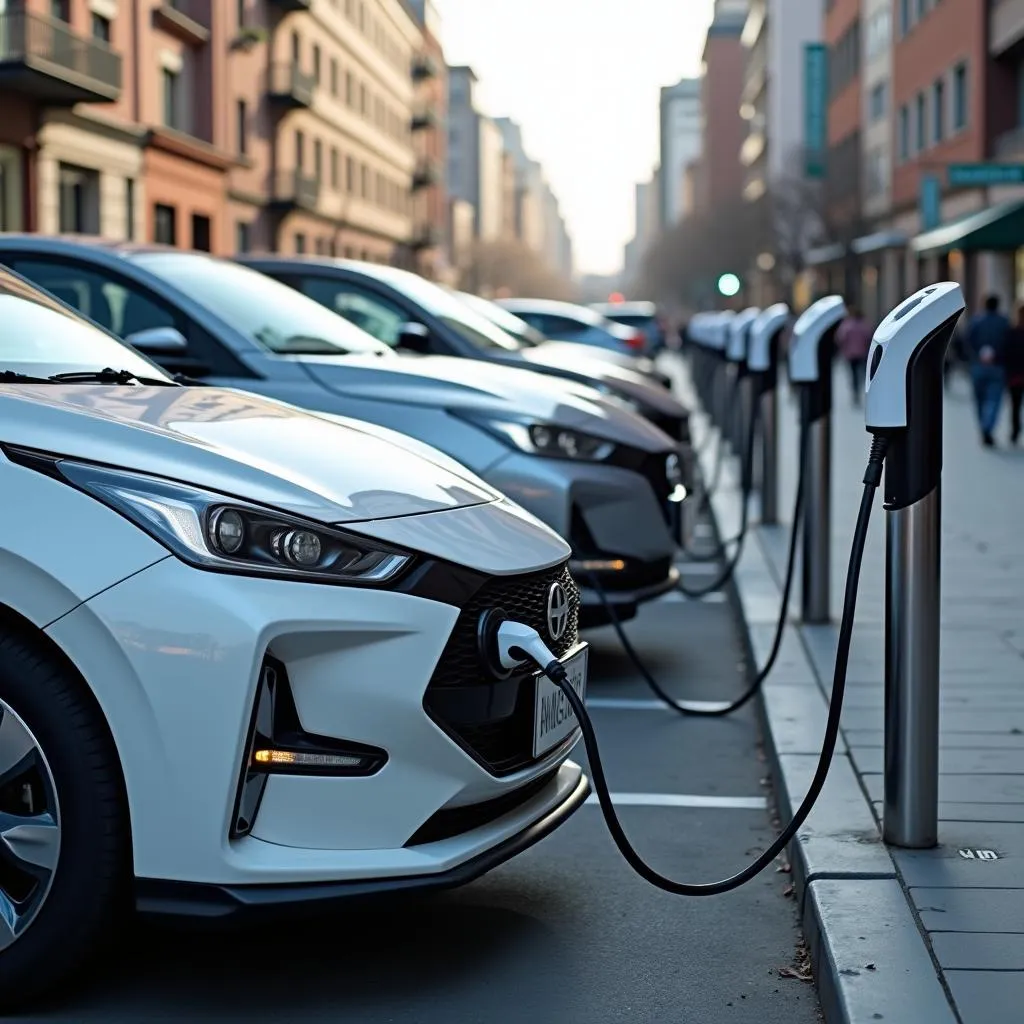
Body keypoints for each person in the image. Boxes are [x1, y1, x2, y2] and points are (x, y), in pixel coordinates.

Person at [966, 294, 1010, 447]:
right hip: (997, 366)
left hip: (978, 366)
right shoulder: (1004, 322)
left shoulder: (976, 321)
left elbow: (968, 341)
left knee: (980, 400)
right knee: (994, 400)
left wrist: (976, 355)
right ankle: (987, 426)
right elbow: (1009, 344)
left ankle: (983, 427)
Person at [835, 305, 873, 406]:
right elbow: (869, 338)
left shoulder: (847, 325)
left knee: (853, 373)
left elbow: (840, 338)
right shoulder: (864, 325)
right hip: (862, 353)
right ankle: (858, 388)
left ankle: (855, 390)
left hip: (850, 354)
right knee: (861, 373)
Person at [1006, 304, 1024, 445]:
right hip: (1017, 374)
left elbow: (1008, 354)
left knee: (1015, 405)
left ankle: (1015, 430)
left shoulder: (1012, 332)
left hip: (1015, 375)